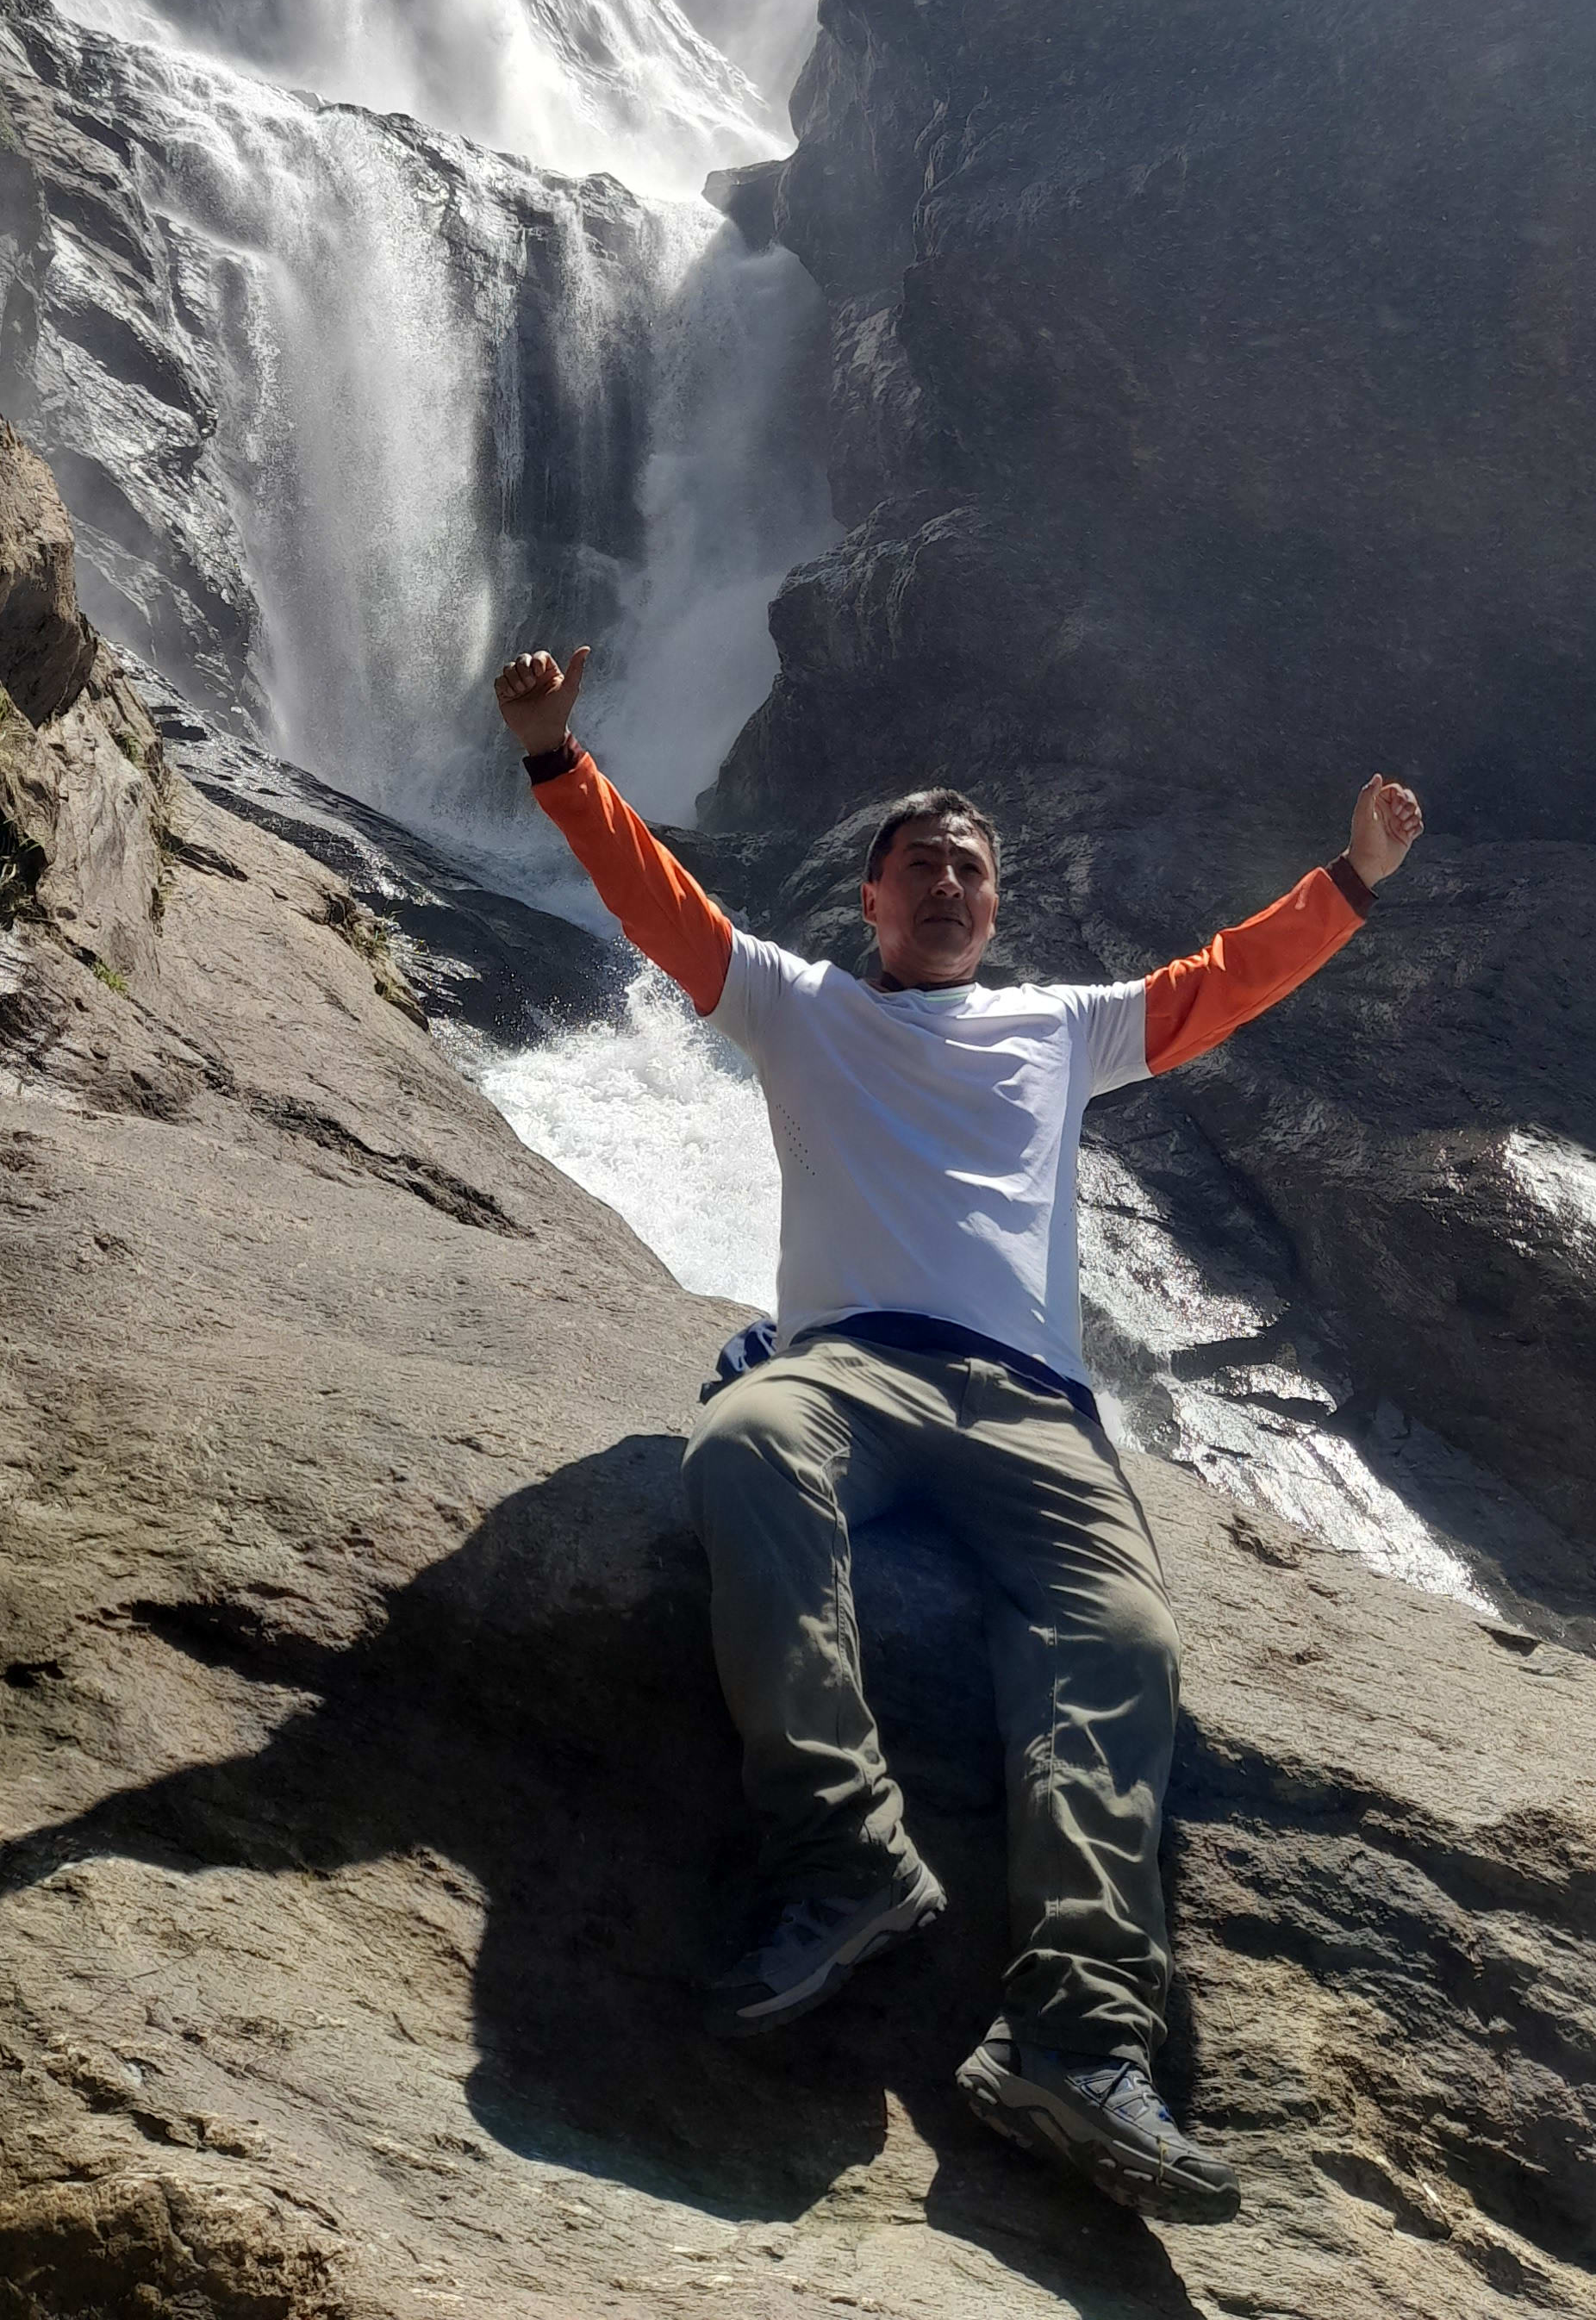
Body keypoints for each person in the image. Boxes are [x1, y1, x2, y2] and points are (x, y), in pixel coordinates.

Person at [493, 640, 1423, 2223]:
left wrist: (1351, 877)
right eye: (919, 865)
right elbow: (662, 909)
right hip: (846, 1371)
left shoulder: (1062, 1028)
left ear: (998, 906)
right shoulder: (796, 1010)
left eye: (972, 870)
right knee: (742, 1449)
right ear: (869, 899)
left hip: (1034, 1410)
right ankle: (846, 1852)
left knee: (1122, 1635)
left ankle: (1078, 2041)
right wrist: (552, 757)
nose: (948, 885)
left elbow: (1221, 980)